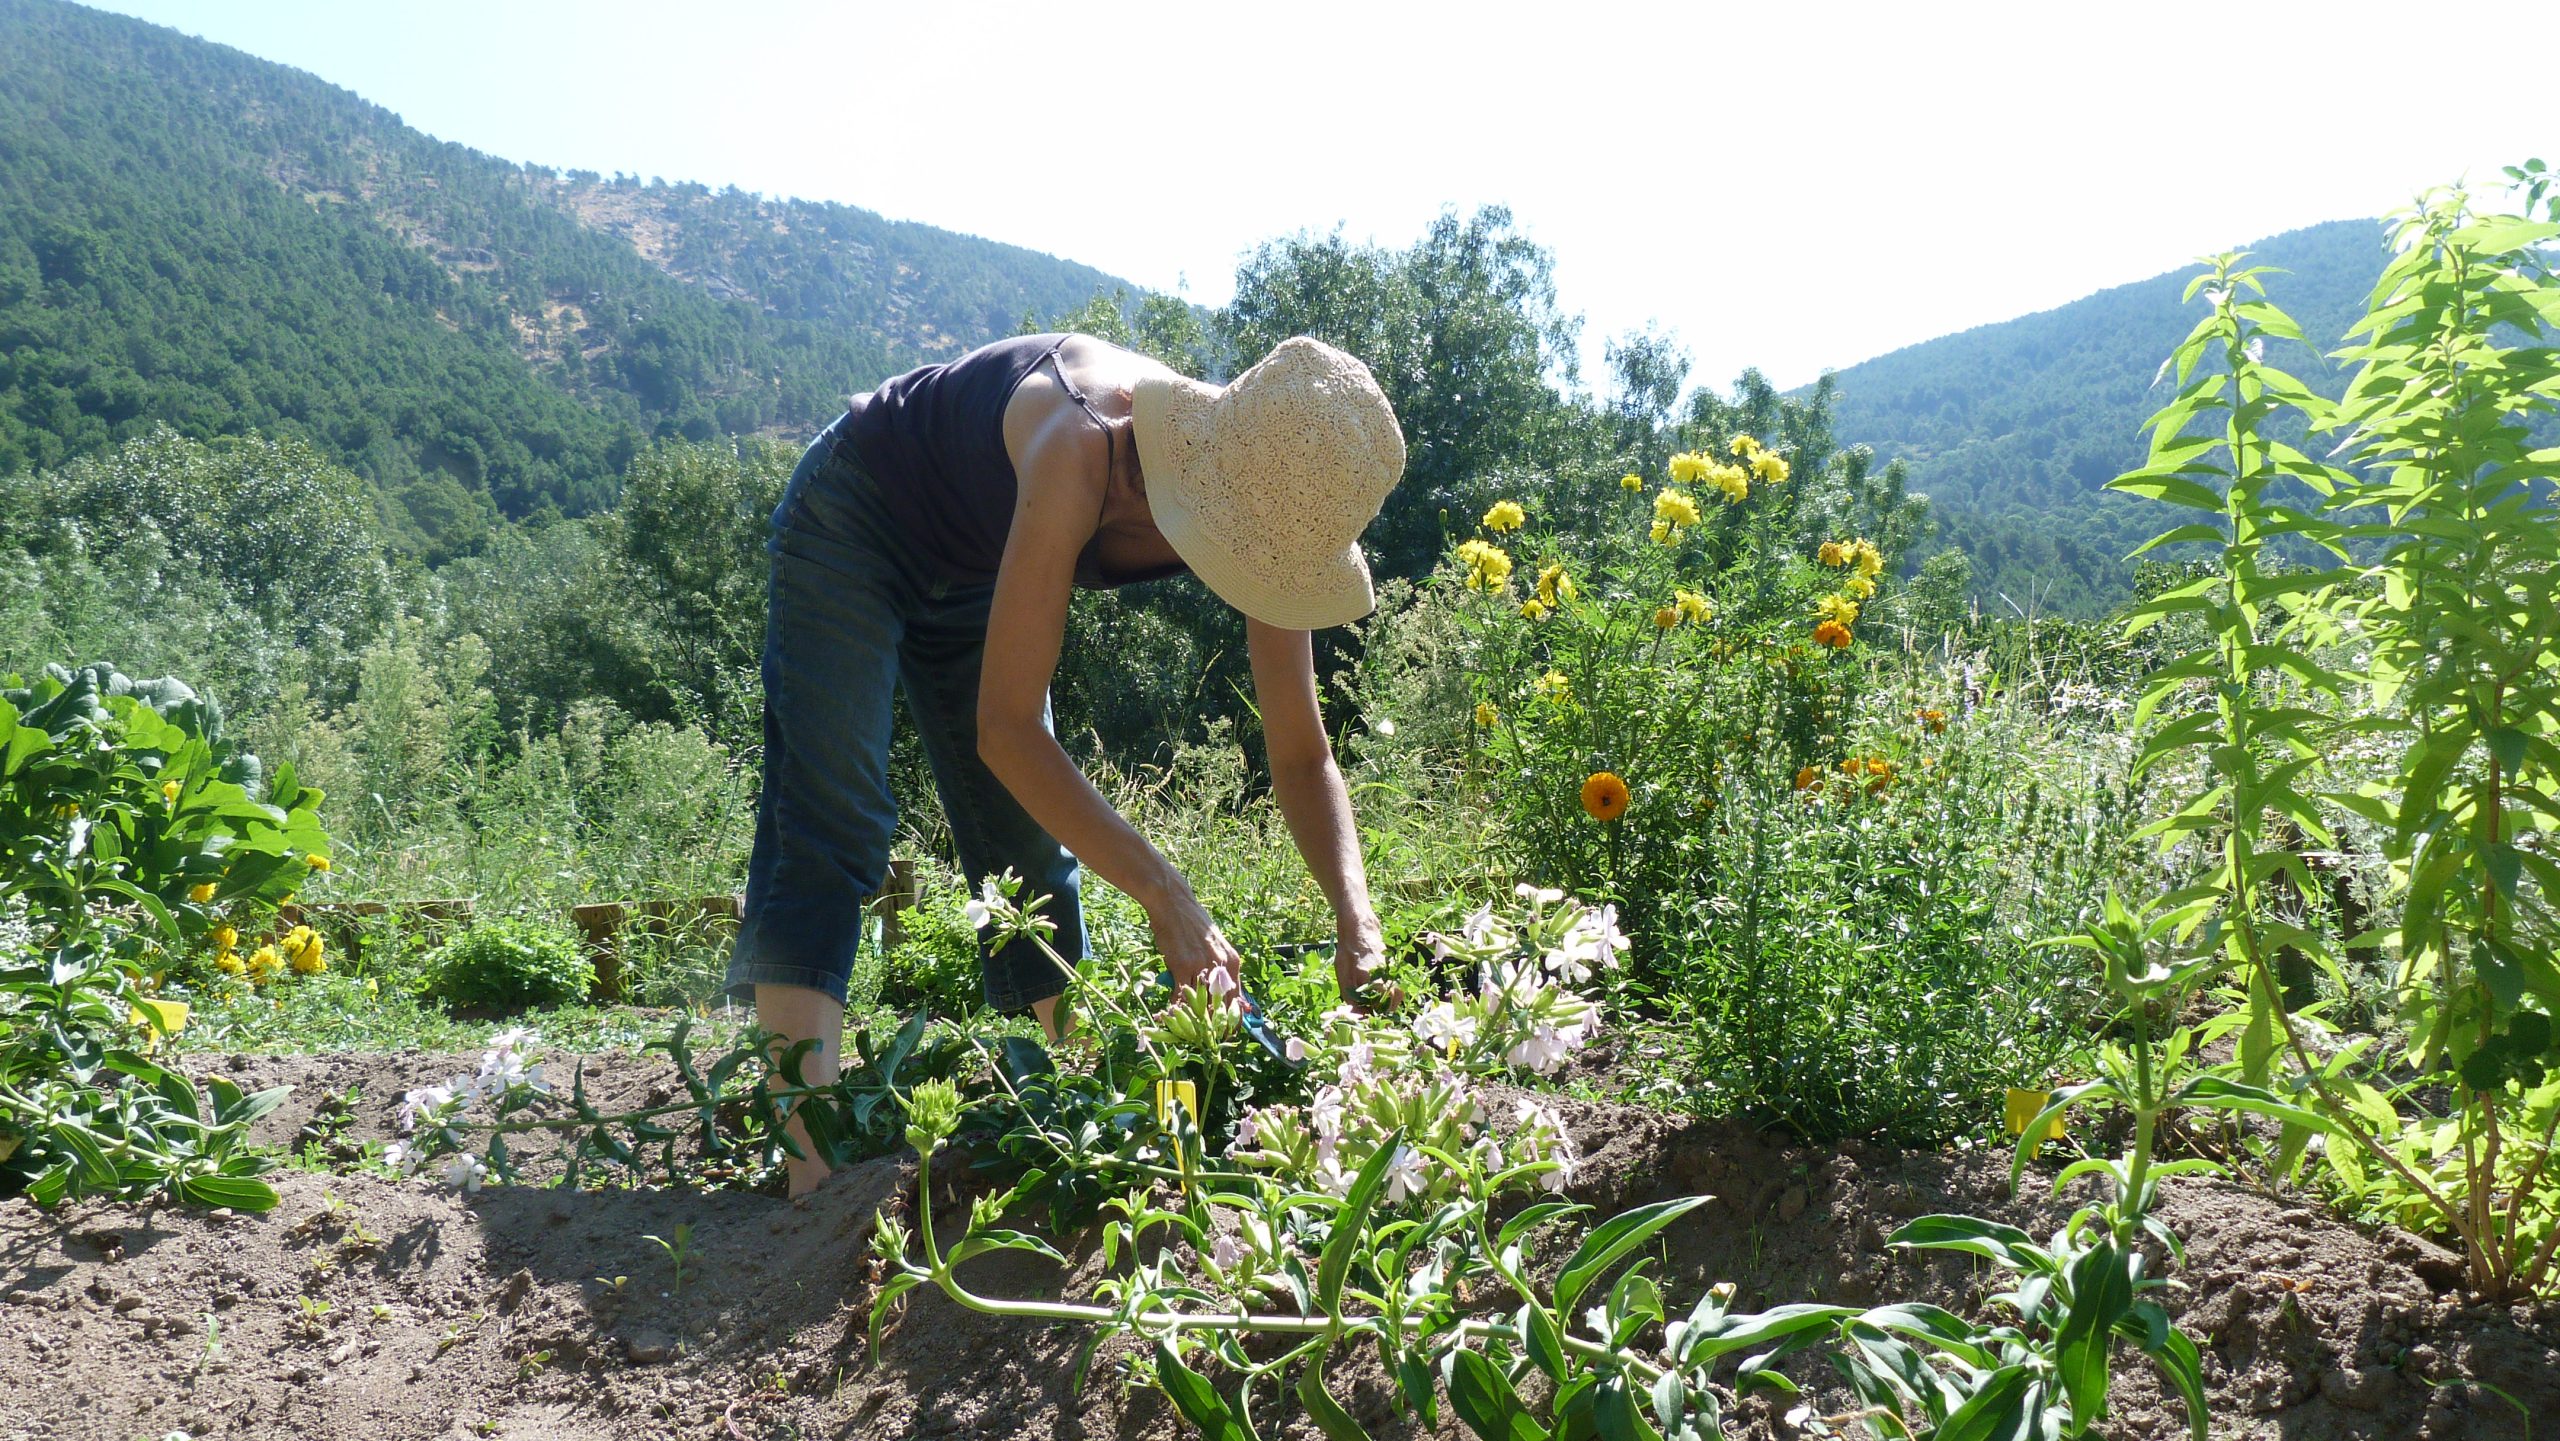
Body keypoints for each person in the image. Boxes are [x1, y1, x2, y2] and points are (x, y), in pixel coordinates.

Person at [723, 331, 1406, 1195]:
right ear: (1216, 488)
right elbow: (1006, 730)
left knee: (1030, 857)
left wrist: (1358, 916)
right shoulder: (1081, 438)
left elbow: (1303, 755)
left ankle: (1093, 1111)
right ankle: (808, 1175)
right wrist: (1167, 893)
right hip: (858, 514)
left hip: (978, 561)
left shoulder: (1279, 510)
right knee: (835, 817)